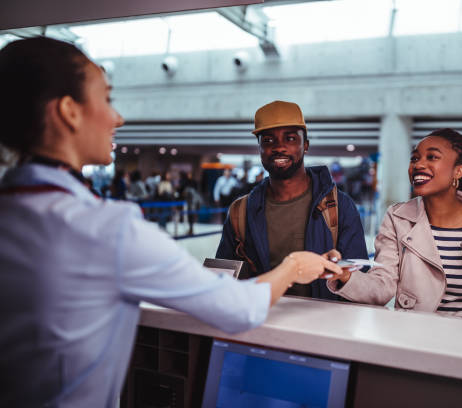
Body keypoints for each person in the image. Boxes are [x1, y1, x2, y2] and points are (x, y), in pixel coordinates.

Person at [0, 37, 342, 407]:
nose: (118, 117)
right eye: (107, 99)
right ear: (69, 111)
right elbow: (236, 305)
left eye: (290, 138)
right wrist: (293, 265)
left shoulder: (20, 210)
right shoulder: (105, 230)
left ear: (305, 145)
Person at [326, 128, 462, 325]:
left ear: (459, 171)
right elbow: (383, 285)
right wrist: (344, 276)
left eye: (432, 157)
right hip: (415, 338)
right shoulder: (397, 218)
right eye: (415, 158)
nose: (418, 164)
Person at [216, 100, 368, 299]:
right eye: (268, 140)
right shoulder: (241, 211)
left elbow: (360, 283)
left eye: (290, 138)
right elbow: (224, 278)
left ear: (305, 145)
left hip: (322, 324)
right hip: (262, 322)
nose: (279, 147)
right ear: (259, 148)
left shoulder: (339, 206)